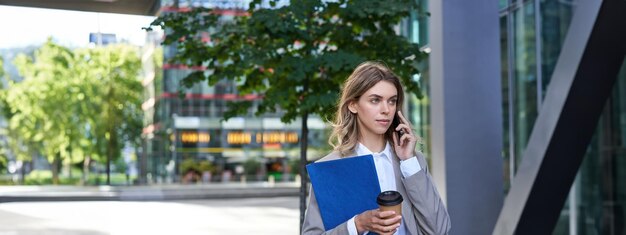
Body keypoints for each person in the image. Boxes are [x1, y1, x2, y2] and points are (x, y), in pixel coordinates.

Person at [302, 61, 451, 235]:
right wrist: (357, 225)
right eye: (375, 100)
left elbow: (440, 230)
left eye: (392, 101)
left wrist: (408, 162)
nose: (386, 110)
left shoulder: (413, 162)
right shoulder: (329, 168)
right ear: (353, 105)